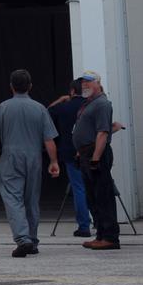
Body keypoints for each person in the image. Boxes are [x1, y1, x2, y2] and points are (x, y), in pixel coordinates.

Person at [0, 69, 61, 257]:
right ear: (30, 87)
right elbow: (49, 140)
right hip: (34, 157)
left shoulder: (3, 108)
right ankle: (32, 240)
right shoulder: (40, 108)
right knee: (31, 200)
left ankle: (22, 239)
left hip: (11, 157)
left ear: (11, 87)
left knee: (12, 198)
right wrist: (53, 161)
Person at [73, 70, 119, 249]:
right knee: (93, 197)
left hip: (95, 154)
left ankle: (110, 237)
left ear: (98, 83)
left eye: (88, 82)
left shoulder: (101, 104)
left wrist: (95, 159)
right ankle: (100, 234)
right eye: (83, 82)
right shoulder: (88, 104)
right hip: (86, 153)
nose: (84, 85)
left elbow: (102, 133)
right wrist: (80, 153)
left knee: (103, 196)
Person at [48, 79, 93, 237]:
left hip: (70, 151)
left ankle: (84, 225)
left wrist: (60, 100)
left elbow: (46, 114)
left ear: (72, 91)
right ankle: (100, 221)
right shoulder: (91, 105)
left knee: (79, 188)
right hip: (91, 151)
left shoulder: (64, 107)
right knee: (94, 186)